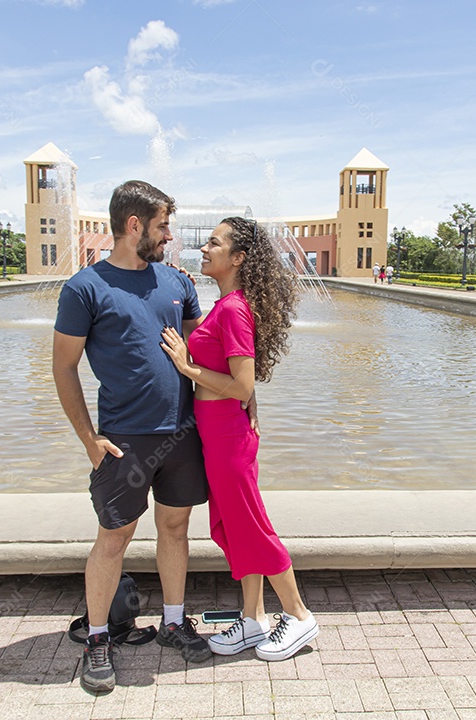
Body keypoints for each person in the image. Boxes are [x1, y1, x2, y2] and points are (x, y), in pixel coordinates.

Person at [52, 180, 213, 694]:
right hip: (123, 437)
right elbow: (63, 368)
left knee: (175, 529)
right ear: (135, 225)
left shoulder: (177, 283)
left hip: (182, 432)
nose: (170, 235)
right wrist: (88, 439)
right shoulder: (85, 288)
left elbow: (202, 351)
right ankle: (99, 637)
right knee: (114, 537)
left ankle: (171, 620)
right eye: (164, 225)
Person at [160, 217, 319, 662]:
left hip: (228, 435)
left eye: (214, 243)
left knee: (251, 526)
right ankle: (253, 620)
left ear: (239, 257)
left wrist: (186, 366)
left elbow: (242, 384)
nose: (204, 248)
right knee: (233, 527)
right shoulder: (226, 303)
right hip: (217, 432)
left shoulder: (233, 309)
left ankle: (300, 615)